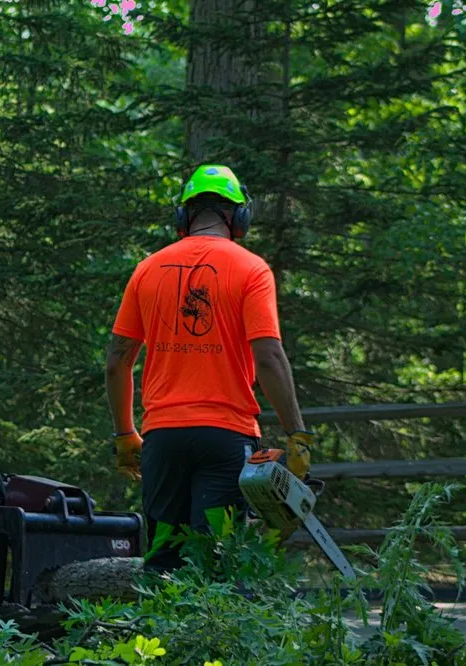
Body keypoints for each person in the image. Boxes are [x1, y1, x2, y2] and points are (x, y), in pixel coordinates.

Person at [105, 164, 314, 572]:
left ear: (184, 216)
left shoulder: (147, 269)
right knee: (216, 558)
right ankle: (212, 636)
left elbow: (117, 362)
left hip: (162, 439)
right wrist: (296, 434)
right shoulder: (252, 269)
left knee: (163, 556)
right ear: (239, 216)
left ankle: (159, 634)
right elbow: (268, 357)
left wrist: (125, 435)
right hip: (226, 438)